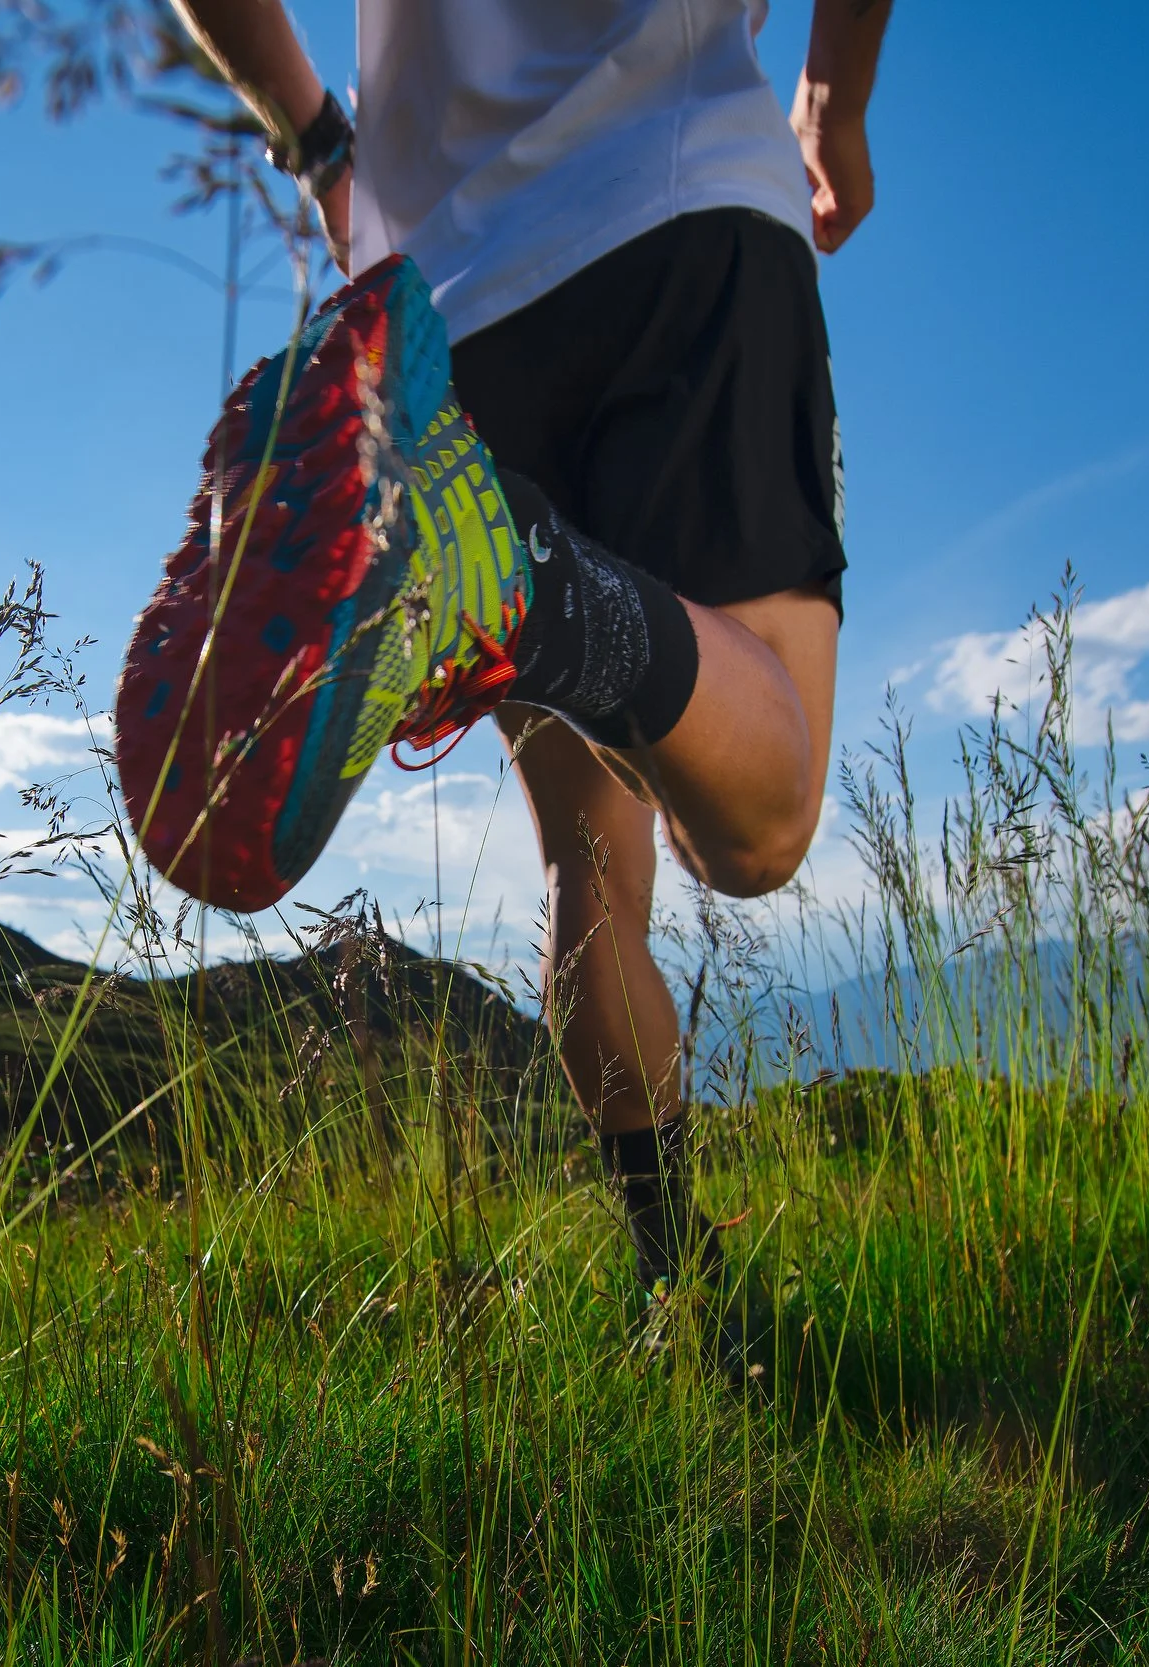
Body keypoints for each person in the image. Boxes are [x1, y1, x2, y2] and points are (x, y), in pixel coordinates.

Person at [118, 0, 889, 1306]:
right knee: (754, 828)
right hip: (685, 194)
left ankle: (673, 1278)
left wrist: (315, 141)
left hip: (459, 324)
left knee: (590, 864)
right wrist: (836, 99)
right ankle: (523, 576)